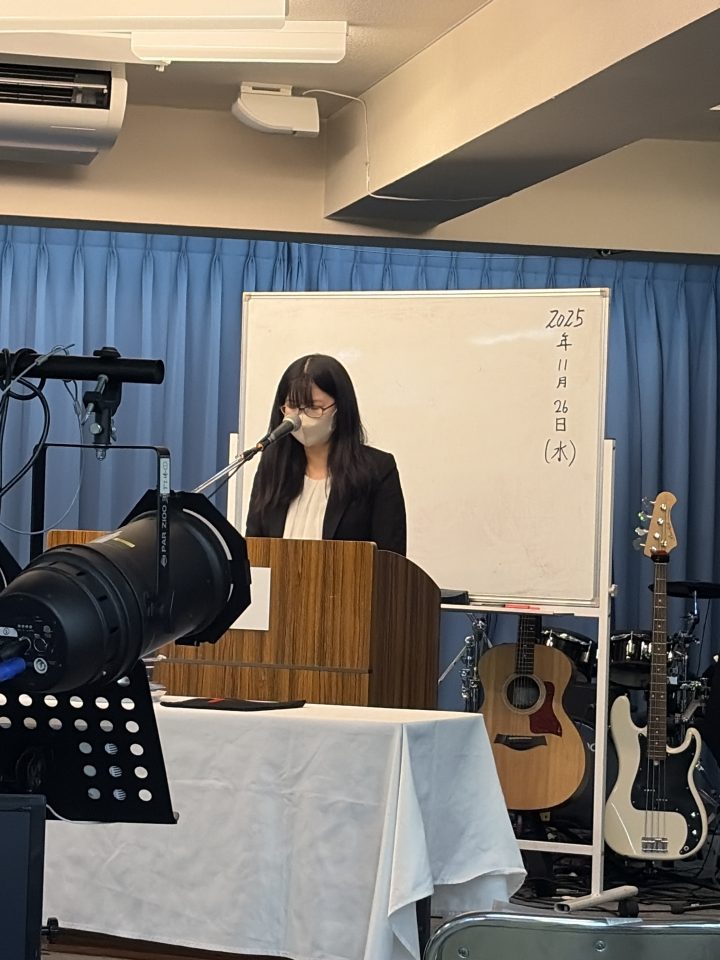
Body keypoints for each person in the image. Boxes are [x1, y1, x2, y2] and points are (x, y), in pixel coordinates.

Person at [245, 354, 406, 555]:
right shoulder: (273, 468)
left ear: (340, 409)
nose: (300, 418)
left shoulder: (378, 470)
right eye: (293, 407)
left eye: (314, 407)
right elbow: (254, 552)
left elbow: (391, 560)